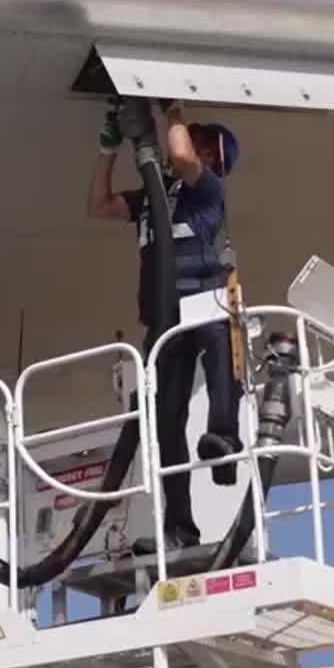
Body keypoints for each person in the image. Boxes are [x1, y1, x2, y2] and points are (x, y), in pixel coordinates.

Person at [86, 99, 244, 553]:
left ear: (212, 155)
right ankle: (180, 527)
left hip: (206, 299)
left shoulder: (208, 190)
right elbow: (98, 204)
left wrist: (170, 107)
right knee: (165, 421)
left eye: (197, 136)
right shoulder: (154, 201)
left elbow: (178, 155)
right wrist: (107, 149)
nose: (186, 135)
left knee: (222, 369)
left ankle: (223, 440)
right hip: (163, 315)